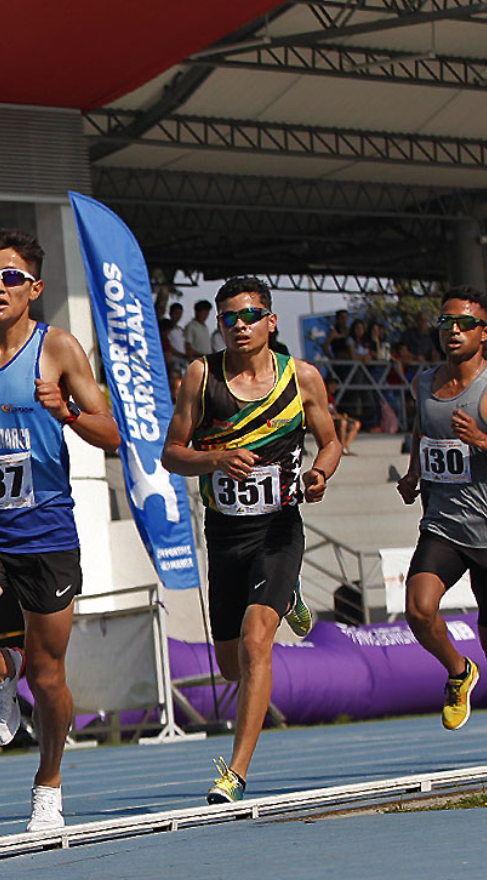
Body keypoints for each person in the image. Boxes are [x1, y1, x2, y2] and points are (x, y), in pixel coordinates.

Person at [0, 229, 120, 831]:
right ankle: (0, 668)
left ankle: (49, 781)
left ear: (34, 288)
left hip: (44, 534)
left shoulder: (57, 348)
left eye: (10, 277)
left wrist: (65, 411)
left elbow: (111, 432)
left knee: (51, 674)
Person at [162, 276, 341, 804]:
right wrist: (215, 458)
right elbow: (172, 453)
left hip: (278, 528)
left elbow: (329, 444)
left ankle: (234, 772)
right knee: (230, 663)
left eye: (249, 315)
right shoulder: (201, 375)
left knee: (258, 640)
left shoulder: (302, 378)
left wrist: (319, 475)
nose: (239, 326)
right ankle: (290, 596)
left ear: (271, 320)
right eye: (228, 318)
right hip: (225, 533)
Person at [396, 285, 487, 764]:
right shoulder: (423, 383)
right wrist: (416, 473)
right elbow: (424, 431)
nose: (452, 331)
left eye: (463, 324)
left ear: (485, 332)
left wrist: (484, 440)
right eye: (445, 323)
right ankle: (459, 671)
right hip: (441, 524)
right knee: (419, 610)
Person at [326, 376, 361, 456]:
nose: (335, 388)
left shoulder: (332, 398)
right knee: (343, 423)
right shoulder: (324, 396)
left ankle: (346, 447)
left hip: (336, 417)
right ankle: (341, 447)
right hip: (329, 420)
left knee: (356, 424)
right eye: (333, 385)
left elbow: (334, 411)